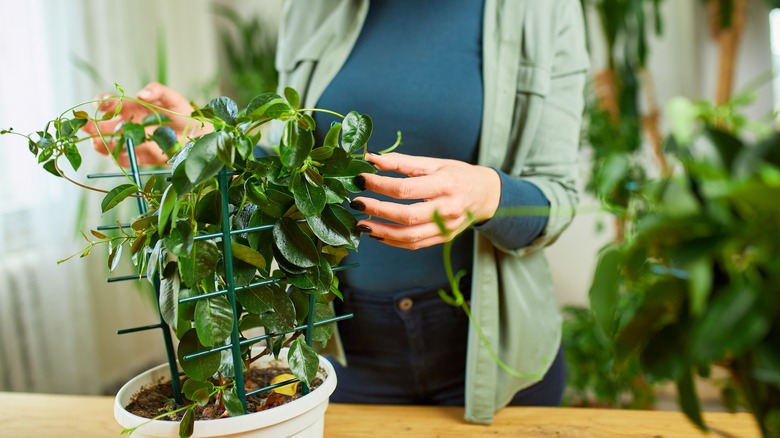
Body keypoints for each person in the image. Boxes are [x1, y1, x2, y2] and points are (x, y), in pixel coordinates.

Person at [85, 0, 589, 425]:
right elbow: (291, 177)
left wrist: (489, 194)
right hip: (345, 348)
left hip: (492, 352)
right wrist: (198, 139)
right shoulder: (313, 9)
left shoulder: (542, 11)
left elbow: (558, 198)